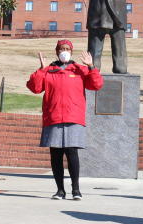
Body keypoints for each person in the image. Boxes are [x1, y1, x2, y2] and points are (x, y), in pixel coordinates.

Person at [26, 39, 103, 200]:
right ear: (57, 51)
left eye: (67, 48)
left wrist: (91, 66)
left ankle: (76, 190)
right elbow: (35, 88)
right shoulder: (48, 70)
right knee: (55, 154)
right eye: (62, 48)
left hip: (73, 116)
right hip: (53, 117)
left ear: (72, 51)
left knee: (72, 152)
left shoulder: (80, 69)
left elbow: (96, 85)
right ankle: (60, 190)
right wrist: (41, 69)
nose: (64, 51)